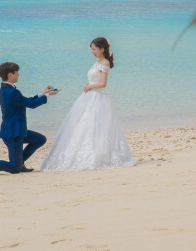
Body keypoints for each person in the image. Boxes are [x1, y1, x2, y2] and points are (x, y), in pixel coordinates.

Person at [41, 37, 135, 171]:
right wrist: (88, 85)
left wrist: (90, 86)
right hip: (89, 96)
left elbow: (103, 84)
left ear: (102, 49)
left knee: (96, 126)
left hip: (98, 98)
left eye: (94, 49)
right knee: (83, 124)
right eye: (91, 49)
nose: (93, 52)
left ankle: (98, 155)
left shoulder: (105, 63)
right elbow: (94, 80)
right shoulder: (97, 62)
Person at [0, 62, 59, 176]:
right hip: (13, 134)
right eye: (17, 72)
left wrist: (42, 94)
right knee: (15, 168)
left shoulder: (6, 90)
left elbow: (25, 101)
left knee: (40, 139)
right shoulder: (11, 92)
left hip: (18, 130)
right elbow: (31, 104)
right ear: (10, 75)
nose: (18, 74)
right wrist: (47, 96)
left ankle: (20, 161)